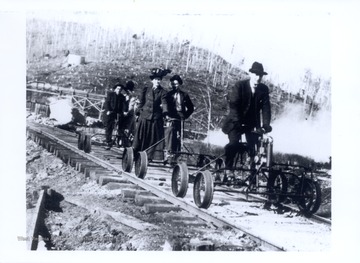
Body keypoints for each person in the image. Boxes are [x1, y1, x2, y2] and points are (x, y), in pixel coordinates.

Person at [221, 61, 272, 170]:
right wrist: (239, 122)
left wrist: (266, 124)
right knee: (234, 144)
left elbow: (266, 108)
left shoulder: (263, 89)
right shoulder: (240, 86)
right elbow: (234, 106)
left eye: (260, 76)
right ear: (250, 74)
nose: (258, 78)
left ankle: (252, 175)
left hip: (251, 124)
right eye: (256, 75)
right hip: (235, 122)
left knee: (254, 148)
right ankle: (228, 169)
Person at [132, 68, 171, 160]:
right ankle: (135, 155)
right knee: (140, 137)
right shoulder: (146, 89)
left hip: (155, 118)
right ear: (152, 80)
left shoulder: (163, 92)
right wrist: (137, 112)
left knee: (152, 138)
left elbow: (164, 103)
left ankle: (148, 157)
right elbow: (141, 102)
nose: (157, 81)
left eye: (159, 80)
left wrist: (165, 113)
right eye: (156, 79)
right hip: (144, 116)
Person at [163, 74, 194, 163]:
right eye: (172, 84)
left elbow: (191, 107)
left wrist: (185, 116)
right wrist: (166, 115)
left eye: (176, 84)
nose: (174, 86)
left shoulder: (184, 95)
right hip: (170, 116)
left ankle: (177, 155)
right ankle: (168, 153)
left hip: (180, 117)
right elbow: (165, 105)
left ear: (179, 84)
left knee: (179, 136)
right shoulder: (168, 95)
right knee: (169, 133)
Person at [103, 83, 126, 150]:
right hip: (110, 113)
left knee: (120, 127)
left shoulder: (122, 97)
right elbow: (107, 103)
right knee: (109, 127)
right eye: (118, 89)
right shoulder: (110, 94)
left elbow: (124, 105)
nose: (119, 90)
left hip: (117, 114)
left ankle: (118, 142)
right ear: (115, 89)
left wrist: (124, 111)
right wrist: (108, 110)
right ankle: (108, 141)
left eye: (120, 89)